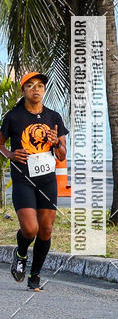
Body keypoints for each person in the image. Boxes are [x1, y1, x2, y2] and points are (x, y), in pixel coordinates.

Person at [0, 73, 68, 291]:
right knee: (30, 230)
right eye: (30, 86)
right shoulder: (13, 117)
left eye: (40, 86)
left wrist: (56, 142)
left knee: (45, 230)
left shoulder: (54, 117)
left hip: (47, 181)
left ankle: (35, 276)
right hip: (23, 179)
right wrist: (10, 154)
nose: (36, 89)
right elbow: (0, 144)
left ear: (44, 90)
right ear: (23, 91)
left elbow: (62, 154)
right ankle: (20, 254)